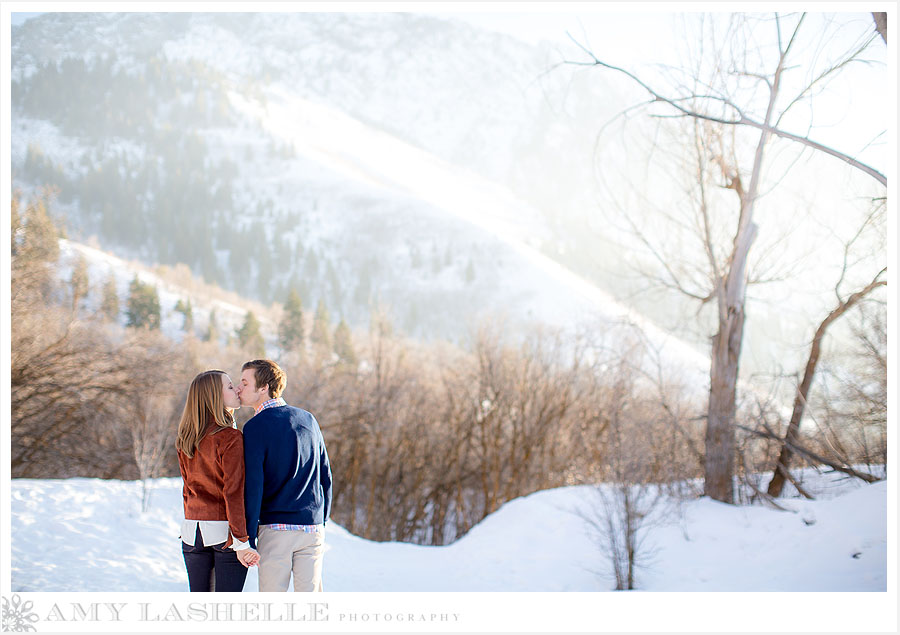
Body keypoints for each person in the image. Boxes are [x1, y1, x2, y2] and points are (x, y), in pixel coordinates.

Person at [238, 359, 333, 592]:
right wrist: (321, 519)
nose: (238, 388)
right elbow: (325, 475)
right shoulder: (309, 419)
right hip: (312, 529)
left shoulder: (255, 427)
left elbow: (253, 485)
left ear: (264, 388)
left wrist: (248, 537)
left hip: (276, 531)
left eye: (244, 382)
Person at [175, 370, 261, 592]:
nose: (237, 391)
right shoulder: (230, 437)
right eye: (230, 386)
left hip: (191, 532)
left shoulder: (186, 437)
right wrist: (241, 541)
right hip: (224, 534)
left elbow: (187, 490)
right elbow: (233, 492)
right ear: (215, 396)